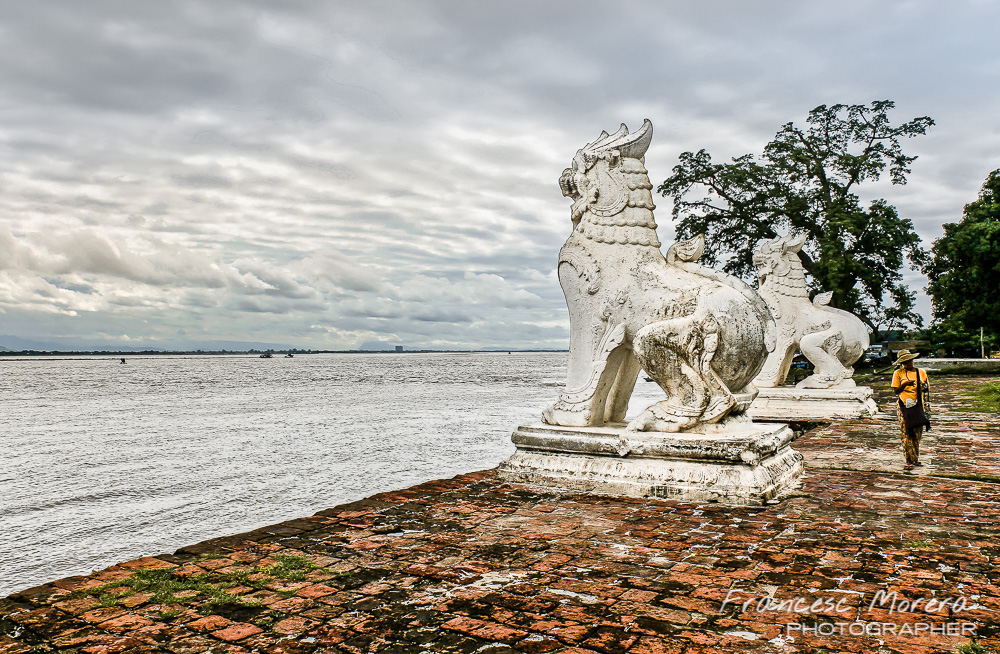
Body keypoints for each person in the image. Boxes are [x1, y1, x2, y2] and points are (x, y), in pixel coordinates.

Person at [891, 350, 930, 471]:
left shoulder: (921, 372)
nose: (908, 363)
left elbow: (926, 389)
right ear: (902, 363)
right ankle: (908, 460)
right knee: (906, 432)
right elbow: (896, 391)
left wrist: (922, 385)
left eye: (909, 361)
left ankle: (915, 458)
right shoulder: (898, 373)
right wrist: (905, 384)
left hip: (918, 405)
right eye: (905, 362)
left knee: (917, 433)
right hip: (904, 406)